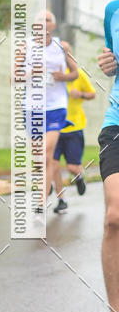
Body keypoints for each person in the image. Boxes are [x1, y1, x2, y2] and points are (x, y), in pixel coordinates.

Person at [15, 10, 78, 211]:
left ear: (53, 25)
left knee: (46, 153)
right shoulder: (25, 46)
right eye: (40, 19)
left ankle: (41, 201)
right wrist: (31, 72)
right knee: (40, 159)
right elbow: (13, 77)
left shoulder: (63, 46)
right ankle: (55, 191)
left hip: (55, 106)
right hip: (32, 108)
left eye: (48, 19)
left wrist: (63, 77)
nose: (43, 22)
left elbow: (75, 73)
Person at [86, 1, 119, 312]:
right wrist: (109, 64)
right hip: (117, 124)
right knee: (114, 217)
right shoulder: (113, 10)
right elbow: (112, 60)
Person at [51, 67, 95, 214]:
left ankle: (79, 176)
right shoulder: (50, 72)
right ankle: (61, 200)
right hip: (54, 127)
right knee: (53, 165)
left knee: (72, 167)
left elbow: (92, 94)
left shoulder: (77, 73)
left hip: (74, 127)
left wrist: (80, 94)